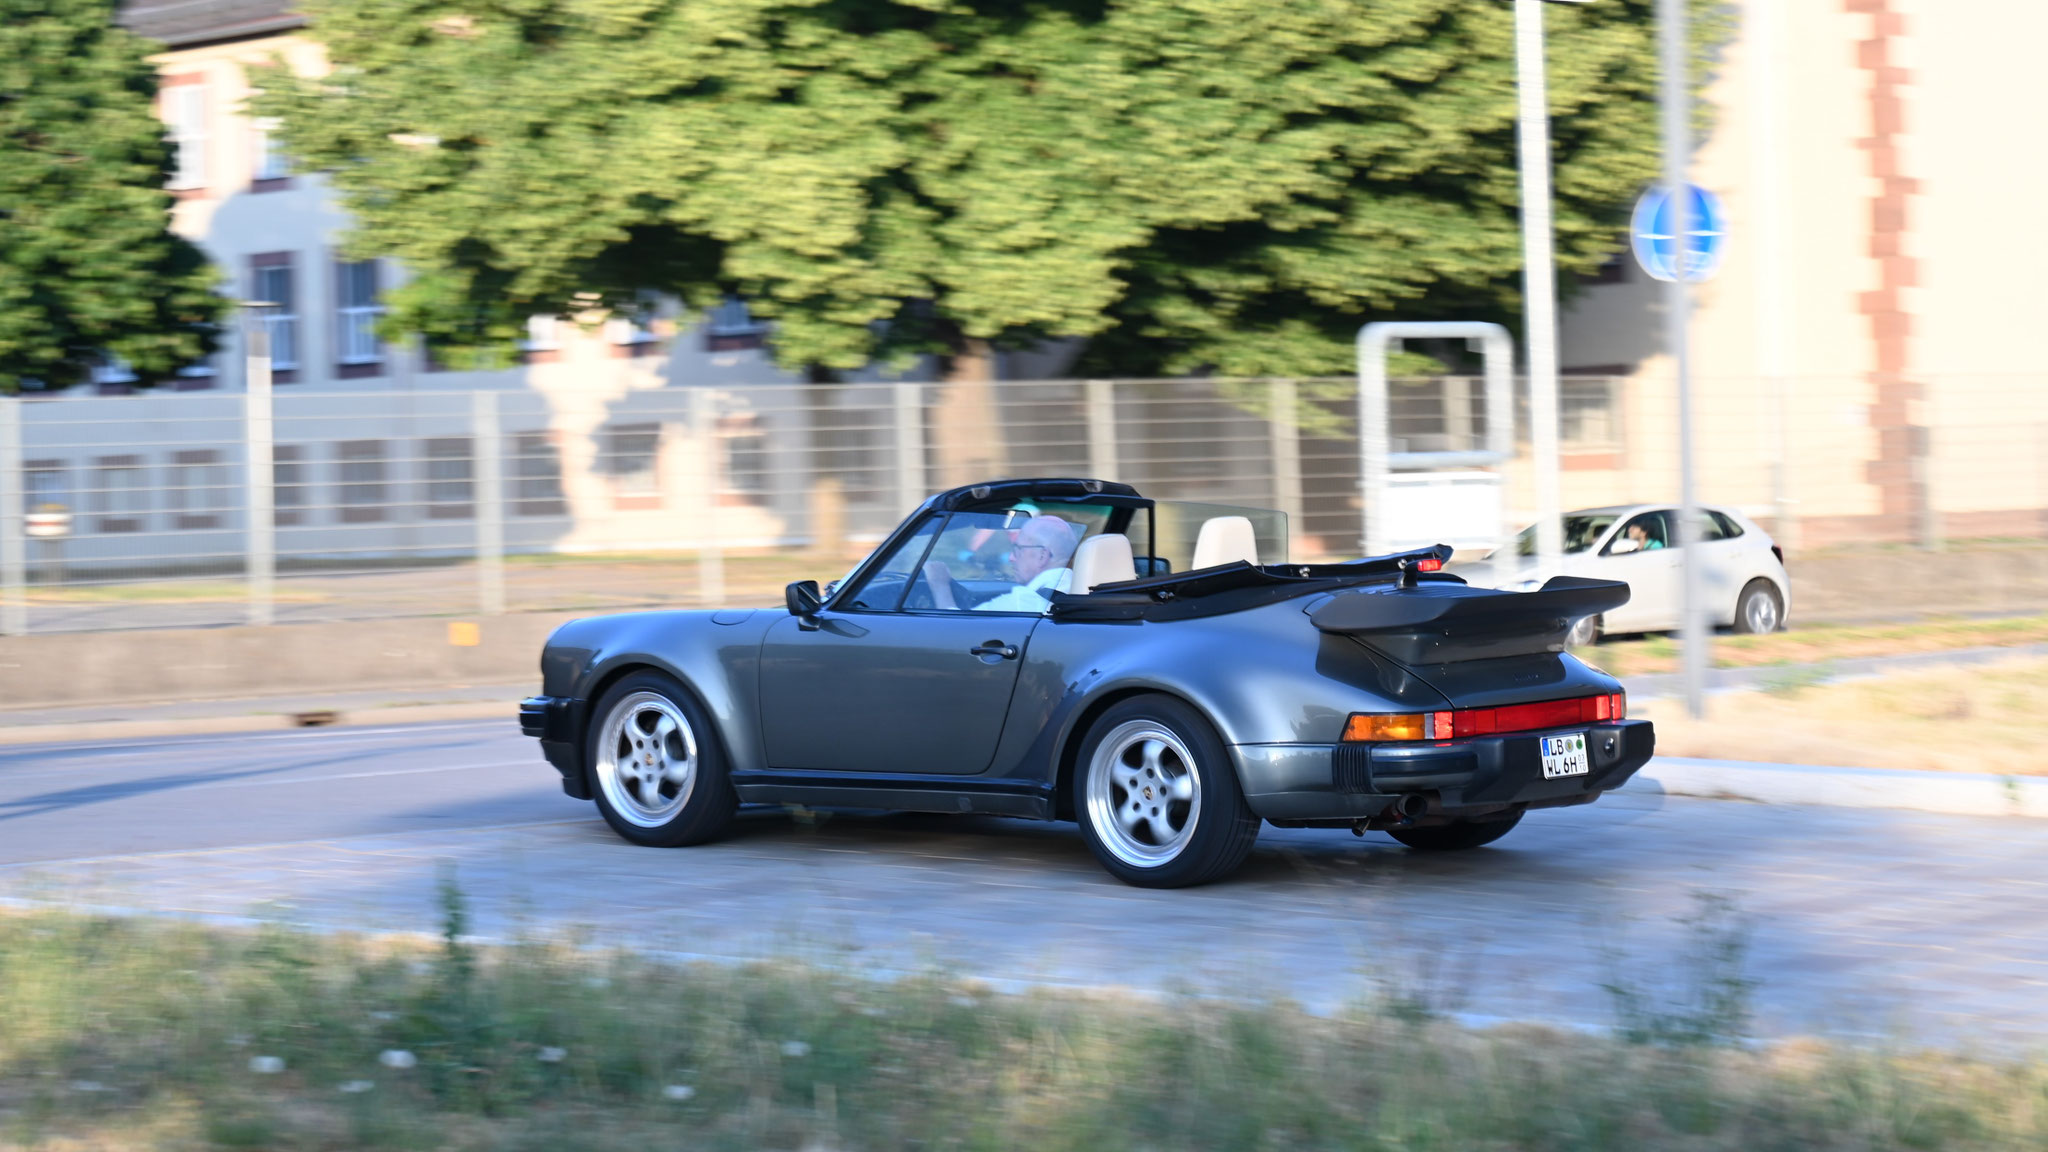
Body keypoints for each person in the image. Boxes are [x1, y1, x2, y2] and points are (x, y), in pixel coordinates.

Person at [922, 514, 1077, 612]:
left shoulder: (1023, 602)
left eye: (1018, 550)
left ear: (1042, 556)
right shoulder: (1080, 590)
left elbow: (957, 629)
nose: (1011, 558)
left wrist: (939, 585)